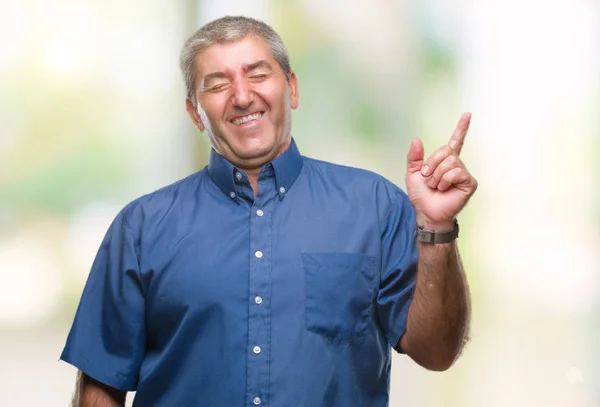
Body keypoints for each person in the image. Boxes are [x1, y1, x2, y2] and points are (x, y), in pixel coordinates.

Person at [61, 15, 477, 407]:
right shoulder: (140, 228)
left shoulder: (376, 206)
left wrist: (438, 227)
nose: (243, 96)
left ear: (291, 89)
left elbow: (437, 352)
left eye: (258, 74)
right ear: (195, 113)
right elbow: (101, 386)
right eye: (218, 83)